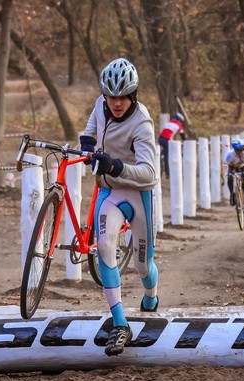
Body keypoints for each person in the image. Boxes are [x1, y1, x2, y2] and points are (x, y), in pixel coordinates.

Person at [79, 58, 158, 357]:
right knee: (104, 246)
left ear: (133, 95)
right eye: (111, 96)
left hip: (139, 194)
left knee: (142, 265)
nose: (116, 103)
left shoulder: (142, 122)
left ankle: (151, 295)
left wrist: (115, 164)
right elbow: (90, 129)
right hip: (109, 192)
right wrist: (88, 149)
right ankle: (120, 322)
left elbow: (149, 173)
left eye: (122, 97)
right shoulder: (101, 104)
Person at [224, 139, 244, 214]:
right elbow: (225, 166)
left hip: (242, 168)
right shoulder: (229, 155)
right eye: (243, 150)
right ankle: (232, 194)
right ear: (237, 150)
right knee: (230, 178)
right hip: (232, 167)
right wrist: (224, 174)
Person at [158, 113, 186, 179]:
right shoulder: (178, 124)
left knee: (161, 155)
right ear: (180, 120)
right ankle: (168, 174)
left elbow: (166, 132)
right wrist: (185, 141)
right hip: (166, 140)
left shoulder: (169, 122)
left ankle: (160, 170)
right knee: (167, 157)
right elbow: (182, 134)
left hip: (160, 139)